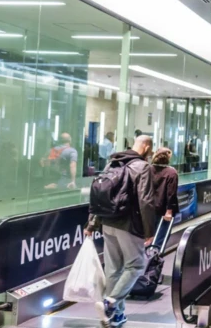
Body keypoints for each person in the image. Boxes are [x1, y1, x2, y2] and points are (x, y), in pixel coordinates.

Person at [86, 135, 156, 328]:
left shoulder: (112, 164)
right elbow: (146, 201)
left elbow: (99, 195)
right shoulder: (143, 167)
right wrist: (149, 230)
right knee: (136, 265)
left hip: (108, 222)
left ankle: (116, 316)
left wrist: (92, 223)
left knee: (113, 269)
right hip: (129, 223)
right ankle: (111, 302)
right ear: (146, 146)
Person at [150, 147, 179, 223]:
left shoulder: (147, 169)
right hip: (164, 210)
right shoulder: (172, 172)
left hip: (149, 208)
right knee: (163, 233)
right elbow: (171, 194)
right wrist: (169, 211)